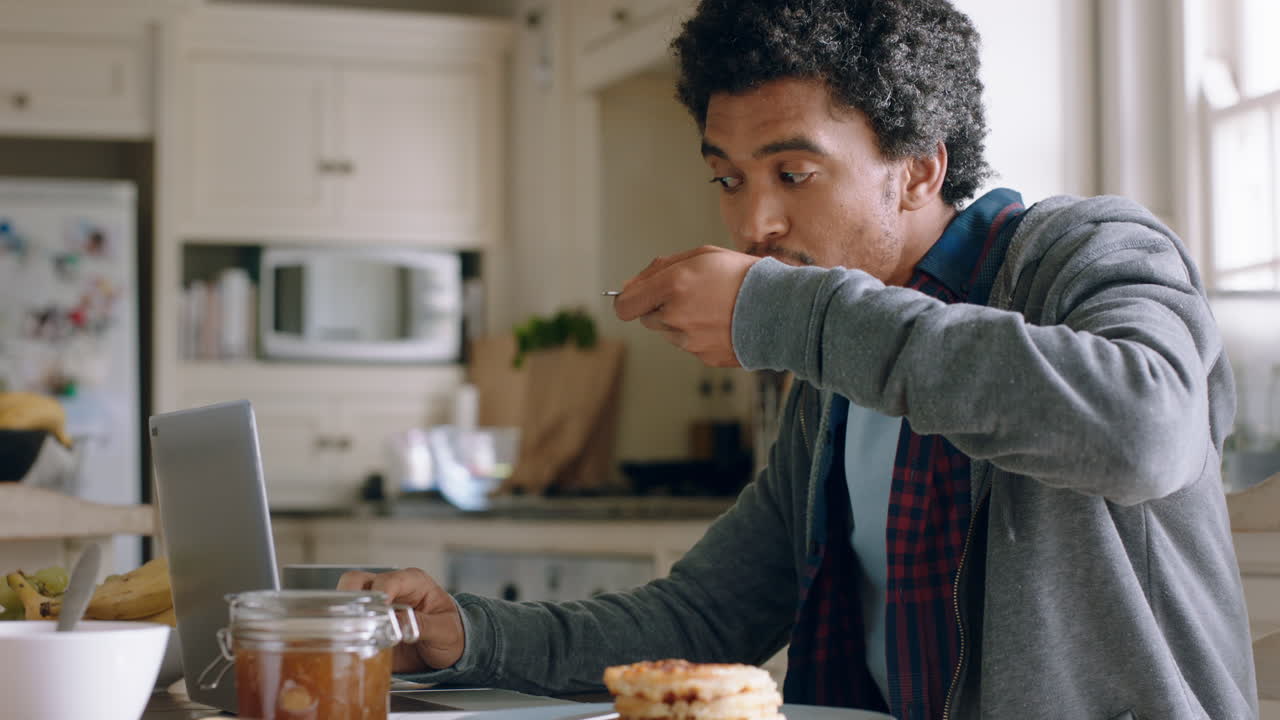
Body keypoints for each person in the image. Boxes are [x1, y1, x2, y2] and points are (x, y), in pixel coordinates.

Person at [339, 0, 1258, 717]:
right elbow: (701, 621)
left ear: (920, 170)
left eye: (794, 174)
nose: (751, 226)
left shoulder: (1085, 250)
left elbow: (1147, 430)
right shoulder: (838, 383)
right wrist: (471, 638)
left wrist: (787, 315)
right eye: (729, 179)